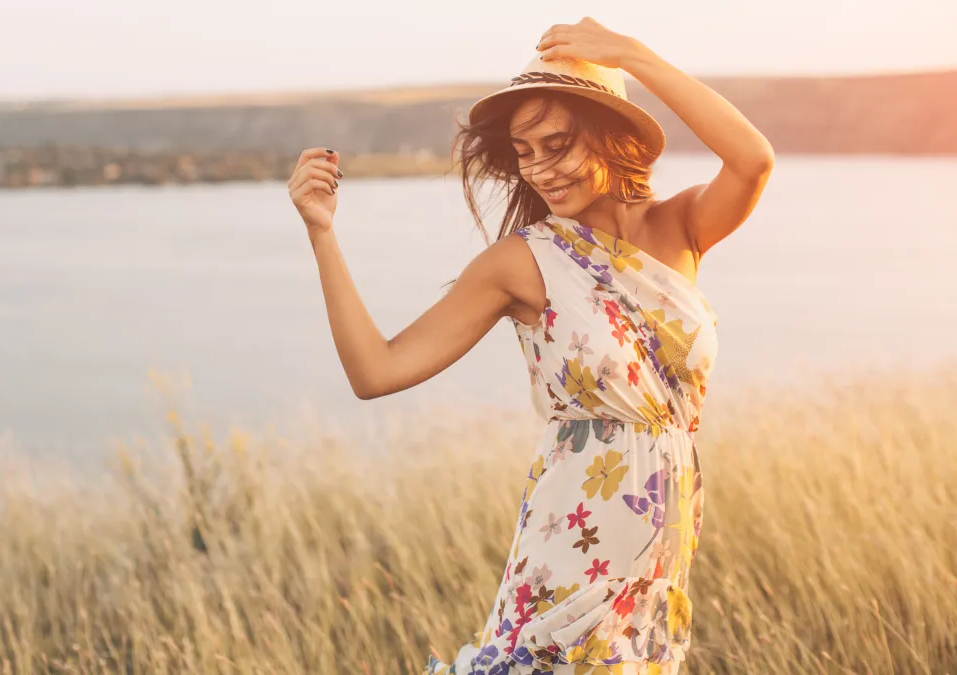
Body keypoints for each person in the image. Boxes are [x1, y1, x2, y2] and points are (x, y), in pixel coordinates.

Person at [287, 17, 773, 675]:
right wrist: (322, 234)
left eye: (558, 144)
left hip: (660, 556)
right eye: (525, 150)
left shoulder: (677, 228)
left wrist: (632, 55)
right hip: (570, 549)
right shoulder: (522, 262)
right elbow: (377, 370)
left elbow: (753, 159)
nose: (540, 169)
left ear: (610, 136)